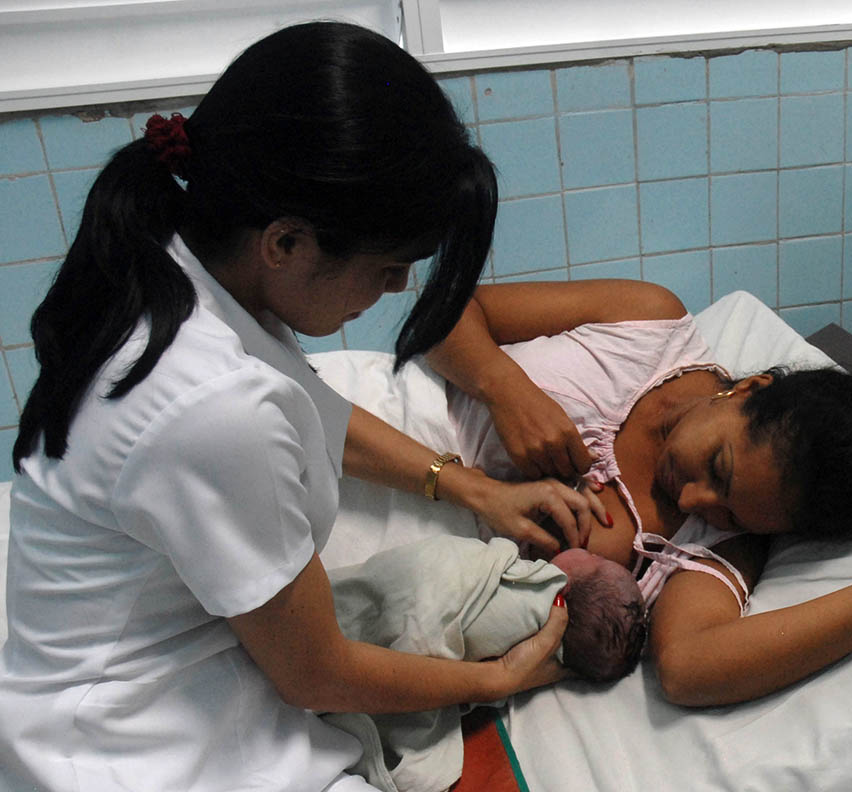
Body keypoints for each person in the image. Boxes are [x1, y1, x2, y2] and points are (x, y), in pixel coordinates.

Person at [0, 22, 602, 792]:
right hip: (128, 748)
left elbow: (316, 414)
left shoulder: (181, 268)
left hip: (166, 669)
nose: (395, 293)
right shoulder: (209, 403)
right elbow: (317, 677)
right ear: (285, 243)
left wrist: (480, 490)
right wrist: (496, 682)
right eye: (387, 269)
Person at [426, 278, 852, 706]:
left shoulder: (719, 540)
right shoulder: (648, 321)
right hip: (367, 421)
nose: (693, 502)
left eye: (730, 510)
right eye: (717, 465)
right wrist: (507, 390)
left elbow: (688, 669)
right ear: (746, 390)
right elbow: (444, 313)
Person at [321, 536, 646, 792]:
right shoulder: (540, 662)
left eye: (597, 560)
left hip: (340, 657)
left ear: (567, 584)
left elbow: (446, 576)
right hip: (337, 665)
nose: (592, 552)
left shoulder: (537, 589)